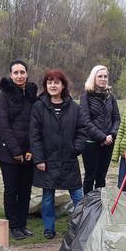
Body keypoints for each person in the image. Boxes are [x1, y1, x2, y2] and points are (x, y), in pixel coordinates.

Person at [29, 69, 87, 239]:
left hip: (68, 159)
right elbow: (34, 135)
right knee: (48, 196)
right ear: (45, 85)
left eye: (56, 82)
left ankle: (81, 224)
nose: (53, 85)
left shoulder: (73, 107)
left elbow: (82, 130)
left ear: (63, 85)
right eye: (49, 82)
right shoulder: (39, 107)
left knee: (78, 195)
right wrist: (38, 158)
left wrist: (76, 148)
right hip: (47, 160)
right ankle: (49, 228)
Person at [0, 59, 39, 240]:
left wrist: (30, 148)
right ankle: (13, 225)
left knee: (25, 190)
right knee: (11, 189)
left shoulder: (31, 94)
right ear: (11, 75)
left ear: (27, 74)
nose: (19, 76)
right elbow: (3, 124)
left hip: (28, 152)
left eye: (22, 72)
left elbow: (35, 123)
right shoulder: (4, 95)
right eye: (16, 73)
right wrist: (15, 150)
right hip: (9, 153)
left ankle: (22, 223)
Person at [79, 64, 120, 194]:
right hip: (91, 143)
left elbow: (116, 118)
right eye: (100, 76)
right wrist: (102, 137)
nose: (103, 79)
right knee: (90, 177)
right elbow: (85, 121)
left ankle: (99, 205)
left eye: (105, 76)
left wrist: (111, 135)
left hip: (108, 143)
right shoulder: (86, 96)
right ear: (94, 78)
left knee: (101, 178)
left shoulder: (110, 97)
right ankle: (87, 207)